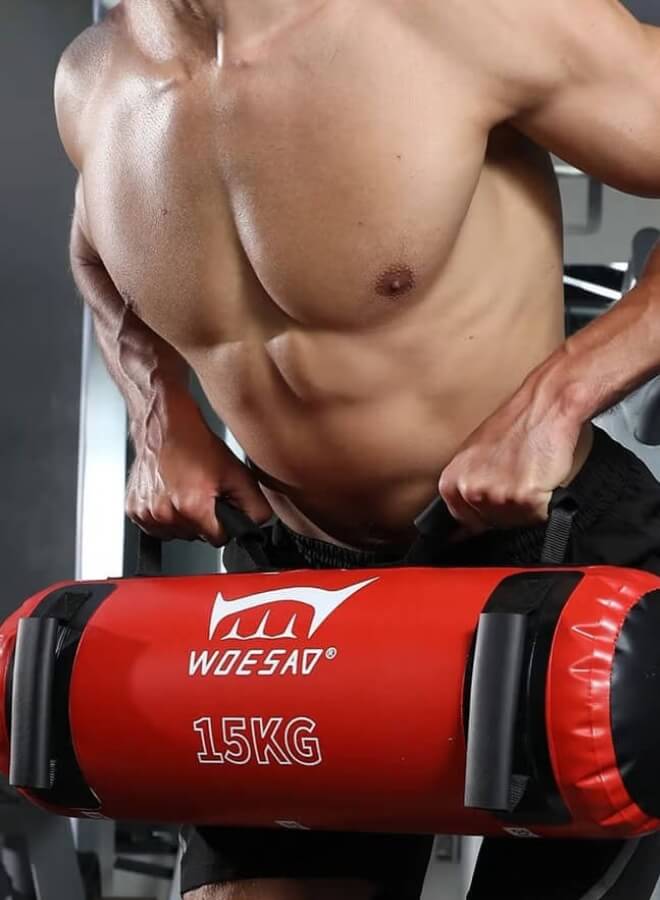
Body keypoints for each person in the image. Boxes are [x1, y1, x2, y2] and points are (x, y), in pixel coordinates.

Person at [54, 1, 660, 897]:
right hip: (296, 579)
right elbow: (94, 255)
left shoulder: (458, 17)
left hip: (543, 553)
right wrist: (158, 412)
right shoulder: (92, 80)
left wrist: (558, 400)